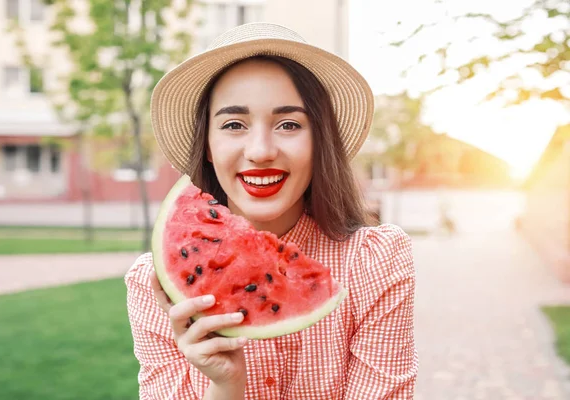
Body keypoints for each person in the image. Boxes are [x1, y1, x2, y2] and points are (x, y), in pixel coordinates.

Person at [125, 22, 418, 399]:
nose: (261, 150)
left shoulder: (375, 261)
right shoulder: (154, 286)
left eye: (288, 124)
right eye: (234, 124)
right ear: (209, 146)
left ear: (318, 141)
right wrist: (225, 387)